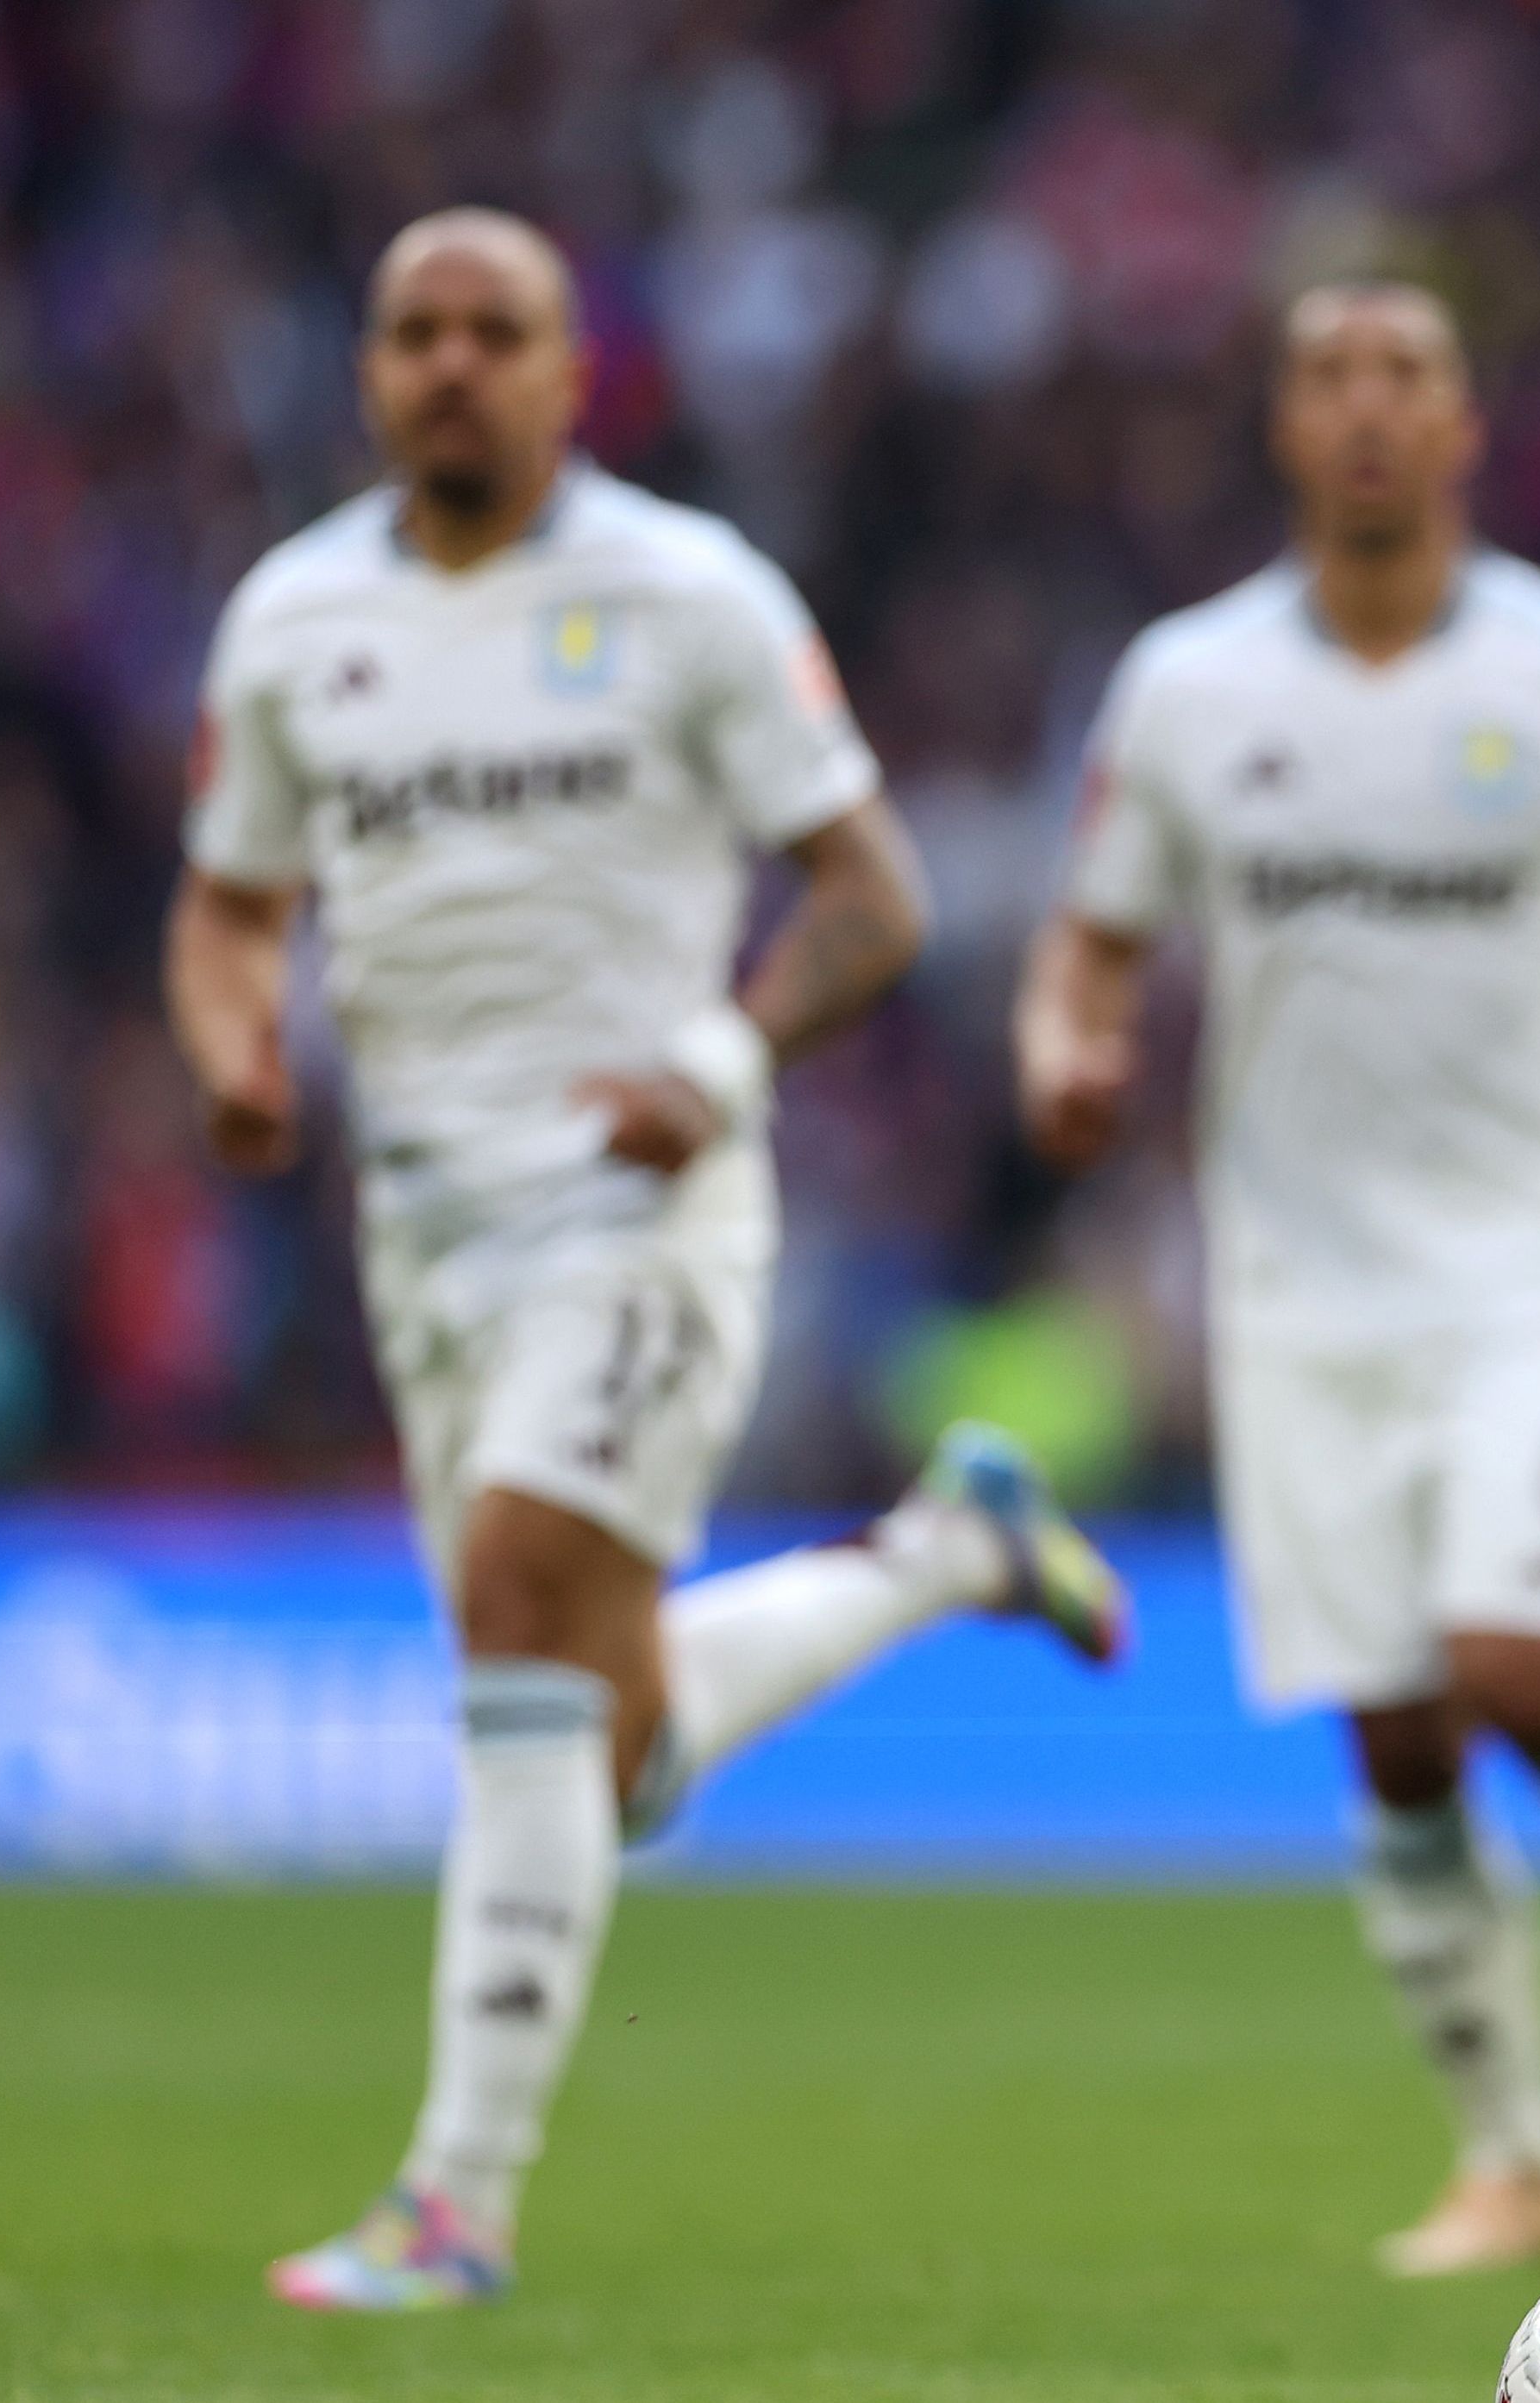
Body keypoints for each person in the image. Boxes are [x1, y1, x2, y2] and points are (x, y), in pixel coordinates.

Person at [166, 210, 1130, 2315]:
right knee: (595, 1737)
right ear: (366, 372)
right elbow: (230, 899)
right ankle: (943, 1554)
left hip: (643, 1208)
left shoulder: (688, 596)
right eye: (412, 330)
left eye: (492, 330)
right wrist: (231, 1041)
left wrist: (717, 1052)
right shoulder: (290, 616)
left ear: (569, 370)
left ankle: (455, 2197)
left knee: (520, 1591)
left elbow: (867, 898)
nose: (449, 365)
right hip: (422, 1230)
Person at [1014, 283, 1540, 2279]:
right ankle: (1520, 2156)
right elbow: (1091, 942)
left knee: (1516, 1669)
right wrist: (1062, 1045)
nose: (1368, 414)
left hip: (1525, 1261)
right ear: (1286, 425)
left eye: (1407, 380)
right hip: (1288, 1285)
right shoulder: (1188, 690)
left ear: (1464, 427)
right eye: (1330, 380)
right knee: (1392, 1732)